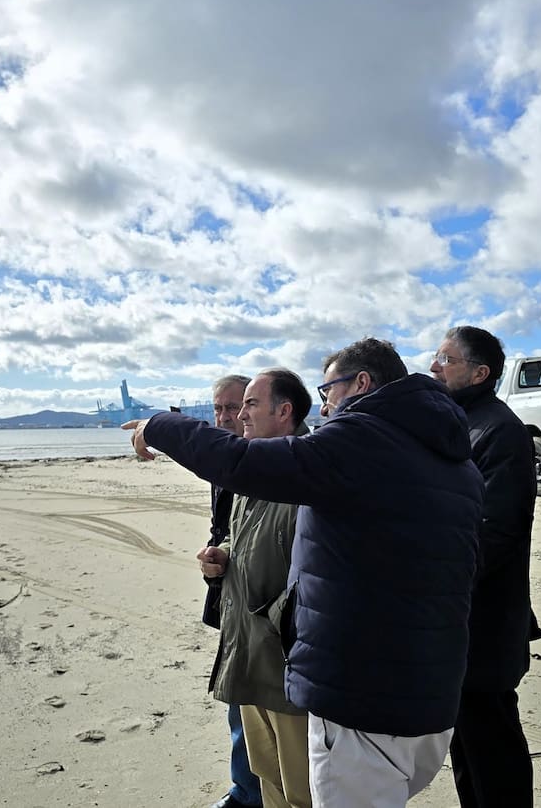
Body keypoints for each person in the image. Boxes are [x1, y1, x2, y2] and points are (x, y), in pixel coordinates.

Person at [127, 338, 483, 807]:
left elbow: (239, 462)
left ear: (361, 383)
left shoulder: (363, 439)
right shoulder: (451, 459)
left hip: (362, 692)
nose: (326, 406)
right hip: (430, 687)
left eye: (328, 390)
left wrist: (159, 425)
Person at [430, 326, 539, 807]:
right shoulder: (457, 425)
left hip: (486, 619)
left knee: (492, 743)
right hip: (454, 616)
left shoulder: (499, 430)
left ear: (480, 373)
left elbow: (496, 532)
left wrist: (434, 584)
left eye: (447, 359)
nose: (434, 366)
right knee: (465, 744)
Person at [197, 369, 313, 808]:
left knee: (302, 785)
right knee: (266, 772)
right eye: (227, 407)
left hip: (286, 660)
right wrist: (222, 556)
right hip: (246, 647)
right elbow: (240, 534)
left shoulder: (310, 471)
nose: (237, 415)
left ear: (284, 412)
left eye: (247, 404)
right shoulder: (252, 466)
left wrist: (276, 621)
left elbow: (323, 568)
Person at [204, 375, 263, 808]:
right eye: (218, 408)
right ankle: (245, 791)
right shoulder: (223, 460)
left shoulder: (268, 457)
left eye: (235, 406)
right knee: (238, 697)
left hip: (265, 602)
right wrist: (216, 557)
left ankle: (251, 793)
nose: (226, 416)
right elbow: (224, 528)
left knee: (254, 701)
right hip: (232, 592)